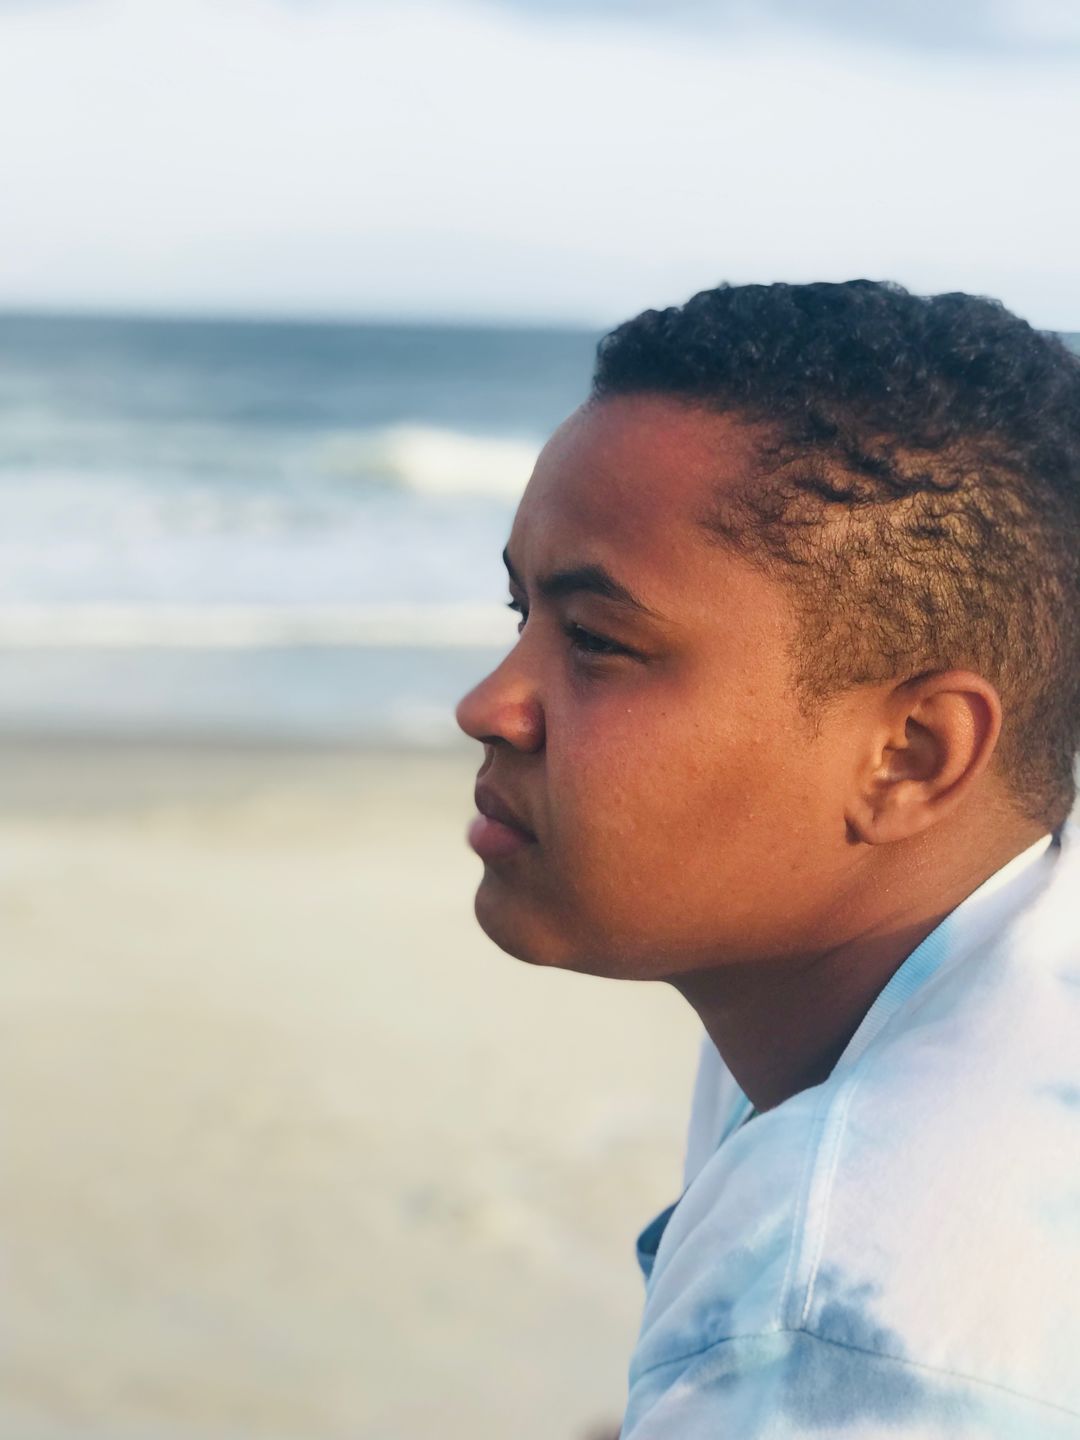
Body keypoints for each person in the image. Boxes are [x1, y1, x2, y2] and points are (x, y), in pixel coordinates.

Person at [454, 280, 1080, 1437]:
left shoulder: (832, 1318)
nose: (488, 706)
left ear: (910, 755)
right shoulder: (921, 951)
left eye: (594, 640)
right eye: (519, 613)